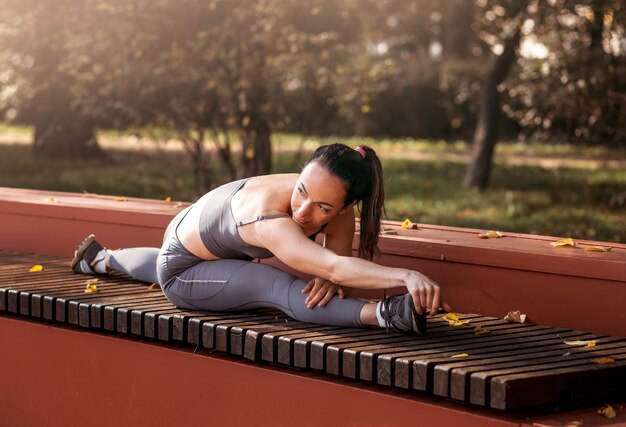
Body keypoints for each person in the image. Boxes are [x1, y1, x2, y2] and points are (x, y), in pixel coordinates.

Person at [70, 144, 450, 334]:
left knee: (319, 285)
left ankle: (102, 259)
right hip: (184, 268)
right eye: (301, 191)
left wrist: (331, 278)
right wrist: (405, 277)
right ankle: (386, 315)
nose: (303, 211)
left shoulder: (332, 200)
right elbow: (333, 265)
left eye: (322, 207)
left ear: (346, 205)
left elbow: (334, 272)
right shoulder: (267, 216)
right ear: (301, 173)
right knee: (278, 287)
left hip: (189, 239)